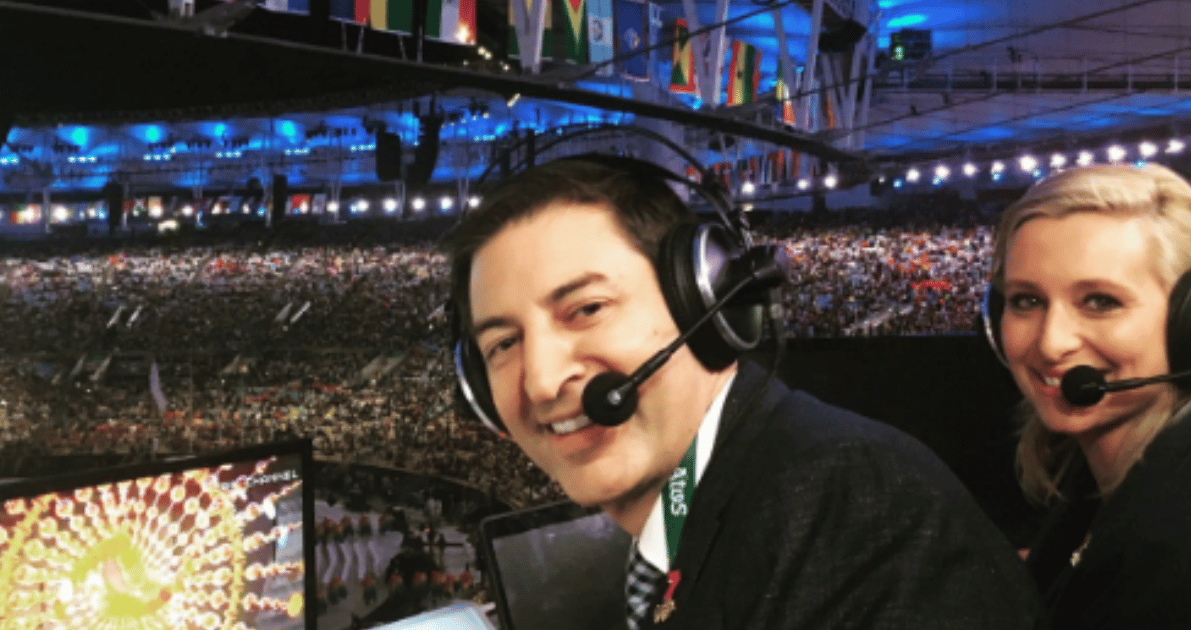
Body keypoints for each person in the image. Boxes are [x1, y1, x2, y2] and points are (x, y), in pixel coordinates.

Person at [445, 157, 1041, 629]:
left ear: (706, 303)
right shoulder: (710, 509)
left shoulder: (851, 510)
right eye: (503, 344)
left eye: (586, 309)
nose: (542, 380)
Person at [986, 162, 1191, 628]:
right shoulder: (1101, 489)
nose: (1051, 343)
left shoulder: (1177, 531)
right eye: (1026, 301)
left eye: (1100, 301)